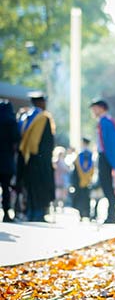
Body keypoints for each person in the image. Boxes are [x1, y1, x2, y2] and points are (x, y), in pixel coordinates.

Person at [18, 92, 56, 222]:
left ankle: (30, 212)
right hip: (40, 159)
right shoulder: (43, 118)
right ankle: (38, 213)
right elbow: (48, 141)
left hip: (26, 158)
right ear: (40, 102)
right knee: (41, 185)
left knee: (29, 186)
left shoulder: (26, 117)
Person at [90, 99, 115, 224]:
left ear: (101, 108)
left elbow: (111, 143)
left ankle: (112, 214)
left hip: (106, 157)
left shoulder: (106, 122)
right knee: (107, 186)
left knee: (107, 185)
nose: (93, 111)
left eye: (95, 108)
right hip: (105, 157)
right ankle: (112, 213)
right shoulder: (105, 121)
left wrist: (110, 159)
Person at [0, 100, 21, 222]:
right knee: (6, 187)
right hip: (6, 160)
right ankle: (6, 213)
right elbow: (16, 138)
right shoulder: (11, 121)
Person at [71, 137, 94, 221]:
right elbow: (91, 168)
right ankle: (86, 214)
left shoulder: (81, 154)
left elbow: (77, 167)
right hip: (87, 180)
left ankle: (81, 214)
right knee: (86, 198)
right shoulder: (90, 155)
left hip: (79, 180)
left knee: (80, 197)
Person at [52, 146, 69, 211]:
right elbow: (66, 170)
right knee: (58, 195)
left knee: (60, 195)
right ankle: (56, 207)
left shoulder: (58, 161)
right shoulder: (58, 161)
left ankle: (58, 208)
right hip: (58, 180)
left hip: (60, 180)